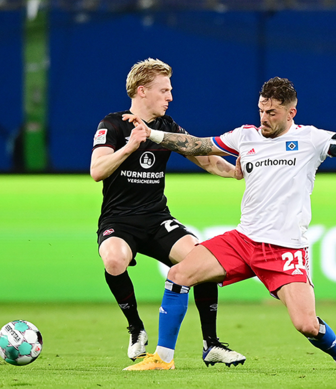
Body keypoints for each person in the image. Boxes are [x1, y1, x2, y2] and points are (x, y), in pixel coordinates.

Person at [121, 75, 336, 372]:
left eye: (272, 113)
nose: (264, 118)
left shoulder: (312, 139)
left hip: (284, 250)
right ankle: (163, 358)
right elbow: (197, 145)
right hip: (243, 241)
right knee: (179, 274)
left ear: (290, 113)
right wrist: (153, 134)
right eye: (261, 110)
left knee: (307, 325)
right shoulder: (244, 136)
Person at [90, 58, 246, 367]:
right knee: (113, 258)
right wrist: (128, 147)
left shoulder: (166, 127)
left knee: (203, 262)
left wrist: (236, 173)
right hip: (119, 221)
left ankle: (211, 344)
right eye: (165, 90)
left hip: (157, 219)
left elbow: (206, 159)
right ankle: (136, 329)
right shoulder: (112, 124)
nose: (170, 97)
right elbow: (97, 171)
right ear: (142, 90)